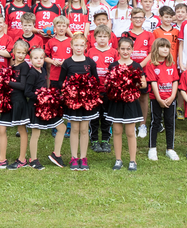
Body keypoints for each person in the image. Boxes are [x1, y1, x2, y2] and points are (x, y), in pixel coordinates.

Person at [59, 34, 99, 170]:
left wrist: (89, 91)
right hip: (73, 102)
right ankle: (74, 158)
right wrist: (69, 91)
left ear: (86, 46)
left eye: (82, 45)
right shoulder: (67, 62)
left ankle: (83, 157)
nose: (79, 48)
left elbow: (96, 80)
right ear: (71, 46)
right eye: (76, 45)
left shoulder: (90, 62)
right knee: (74, 129)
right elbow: (61, 82)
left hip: (86, 102)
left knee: (84, 129)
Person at [0, 41, 32, 169]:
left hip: (19, 101)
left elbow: (22, 86)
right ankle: (2, 160)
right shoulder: (13, 65)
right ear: (13, 52)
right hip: (9, 101)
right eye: (18, 52)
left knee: (21, 129)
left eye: (23, 53)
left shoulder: (24, 66)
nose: (20, 55)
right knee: (1, 128)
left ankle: (22, 159)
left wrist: (6, 82)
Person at [106, 37, 146, 171]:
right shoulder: (113, 66)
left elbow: (144, 83)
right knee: (117, 131)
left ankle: (132, 160)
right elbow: (108, 83)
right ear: (118, 50)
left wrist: (129, 83)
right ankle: (118, 159)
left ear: (132, 50)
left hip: (130, 103)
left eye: (128, 49)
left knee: (130, 132)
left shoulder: (136, 66)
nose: (125, 51)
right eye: (122, 49)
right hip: (116, 102)